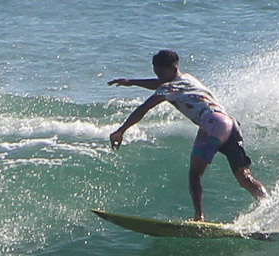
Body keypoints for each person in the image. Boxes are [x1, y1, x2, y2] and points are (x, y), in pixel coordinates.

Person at [107, 49, 267, 221]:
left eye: (161, 72)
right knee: (245, 178)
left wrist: (121, 130)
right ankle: (268, 205)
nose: (159, 76)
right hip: (230, 124)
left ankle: (199, 217)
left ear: (174, 69)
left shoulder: (169, 87)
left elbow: (144, 107)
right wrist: (131, 82)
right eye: (156, 73)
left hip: (212, 123)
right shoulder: (187, 79)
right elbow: (159, 84)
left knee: (195, 174)